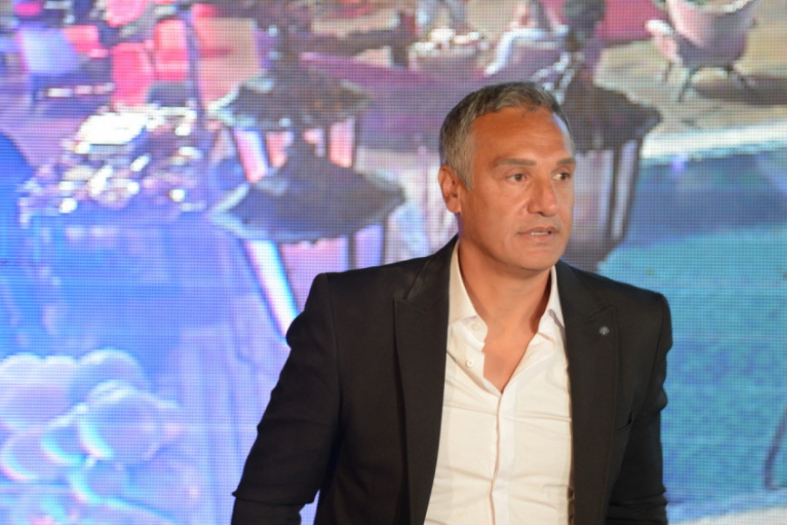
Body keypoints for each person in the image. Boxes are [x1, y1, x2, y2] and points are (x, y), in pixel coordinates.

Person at [231, 81, 672, 524]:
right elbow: (266, 502)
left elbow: (637, 507)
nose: (547, 203)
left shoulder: (632, 324)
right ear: (453, 189)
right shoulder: (353, 317)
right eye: (517, 177)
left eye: (561, 175)